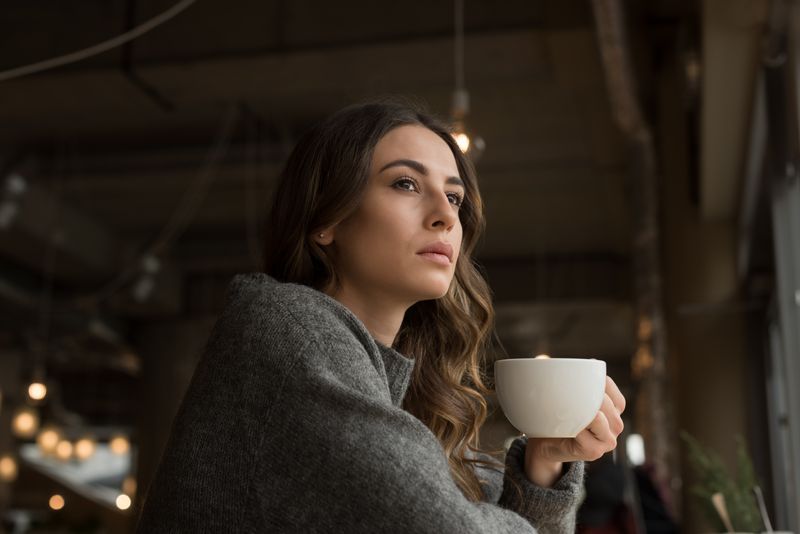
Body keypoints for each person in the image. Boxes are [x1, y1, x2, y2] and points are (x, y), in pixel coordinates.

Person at [135, 98, 627, 533]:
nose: (446, 215)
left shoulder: (389, 381)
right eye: (406, 183)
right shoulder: (287, 329)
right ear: (327, 220)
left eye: (454, 196)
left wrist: (543, 463)